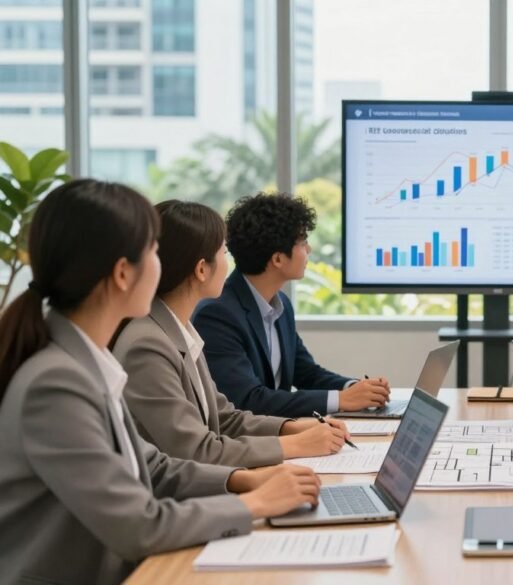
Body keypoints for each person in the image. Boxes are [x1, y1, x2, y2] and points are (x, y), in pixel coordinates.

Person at [0, 180, 321, 585]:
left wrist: (242, 479)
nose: (164, 263)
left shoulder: (85, 361)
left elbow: (151, 465)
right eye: (154, 251)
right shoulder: (55, 384)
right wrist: (255, 504)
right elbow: (140, 525)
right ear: (122, 273)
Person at [114, 200, 352, 467]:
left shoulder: (180, 330)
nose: (230, 265)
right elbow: (196, 451)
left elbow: (224, 417)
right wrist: (296, 444)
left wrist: (294, 427)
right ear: (202, 269)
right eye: (224, 253)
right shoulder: (147, 345)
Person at [193, 192, 390, 418]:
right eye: (303, 242)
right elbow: (247, 400)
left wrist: (354, 388)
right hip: (251, 437)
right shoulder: (217, 314)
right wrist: (341, 400)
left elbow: (306, 373)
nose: (309, 250)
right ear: (278, 259)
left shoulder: (281, 305)